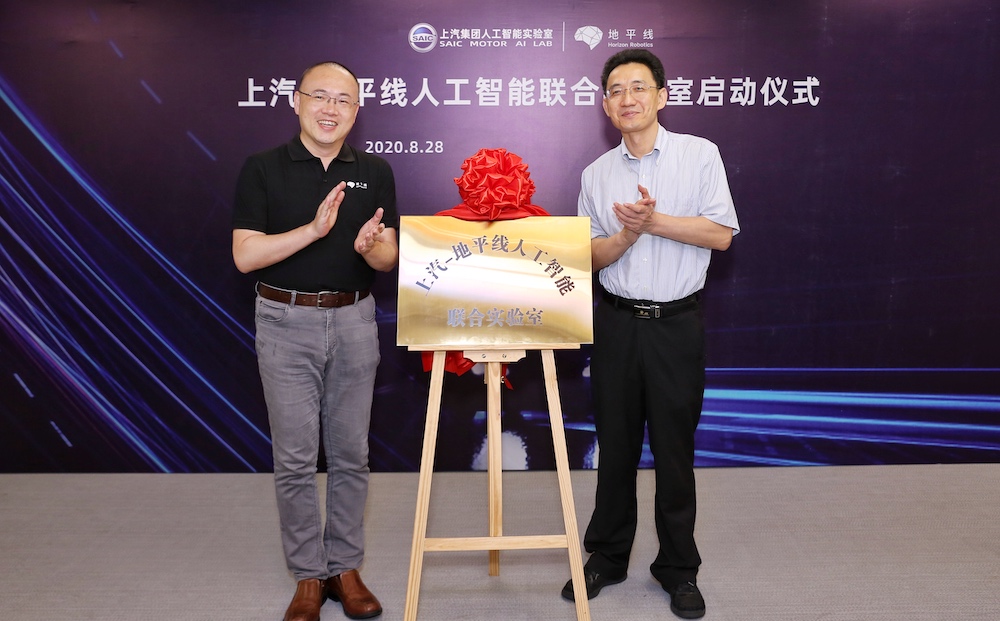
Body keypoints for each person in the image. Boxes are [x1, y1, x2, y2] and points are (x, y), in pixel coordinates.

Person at [562, 50, 740, 619]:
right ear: (605, 104)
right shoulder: (596, 174)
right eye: (616, 90)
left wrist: (652, 220)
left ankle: (678, 569)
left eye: (639, 87)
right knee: (614, 445)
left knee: (673, 450)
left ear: (662, 96)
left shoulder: (699, 155)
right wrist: (626, 236)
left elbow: (721, 234)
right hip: (616, 323)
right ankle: (607, 556)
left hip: (675, 325)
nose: (628, 98)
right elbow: (588, 255)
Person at [232, 61, 398, 621]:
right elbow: (245, 256)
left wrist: (372, 246)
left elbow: (389, 257)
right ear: (296, 101)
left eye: (343, 100)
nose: (331, 109)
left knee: (351, 454)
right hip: (285, 321)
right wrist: (313, 231)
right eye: (320, 96)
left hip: (354, 321)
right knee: (296, 458)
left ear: (357, 110)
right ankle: (308, 574)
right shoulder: (262, 168)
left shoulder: (374, 171)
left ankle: (345, 567)